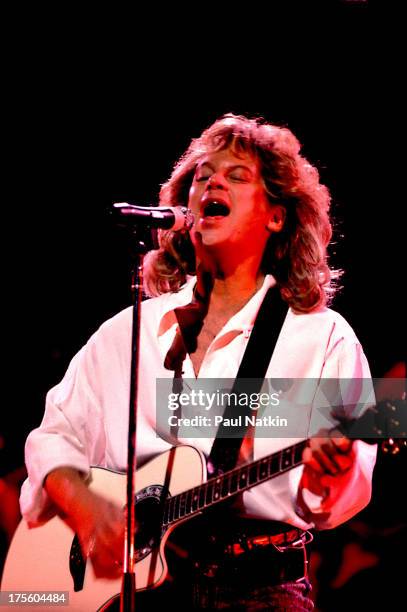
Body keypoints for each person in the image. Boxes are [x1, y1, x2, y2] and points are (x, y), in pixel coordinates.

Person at [19, 114, 377, 610]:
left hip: (258, 588)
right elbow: (53, 436)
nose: (212, 181)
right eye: (203, 175)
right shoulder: (132, 331)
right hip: (131, 590)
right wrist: (85, 508)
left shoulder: (320, 337)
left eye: (236, 176)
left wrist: (329, 474)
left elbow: (350, 484)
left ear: (276, 216)